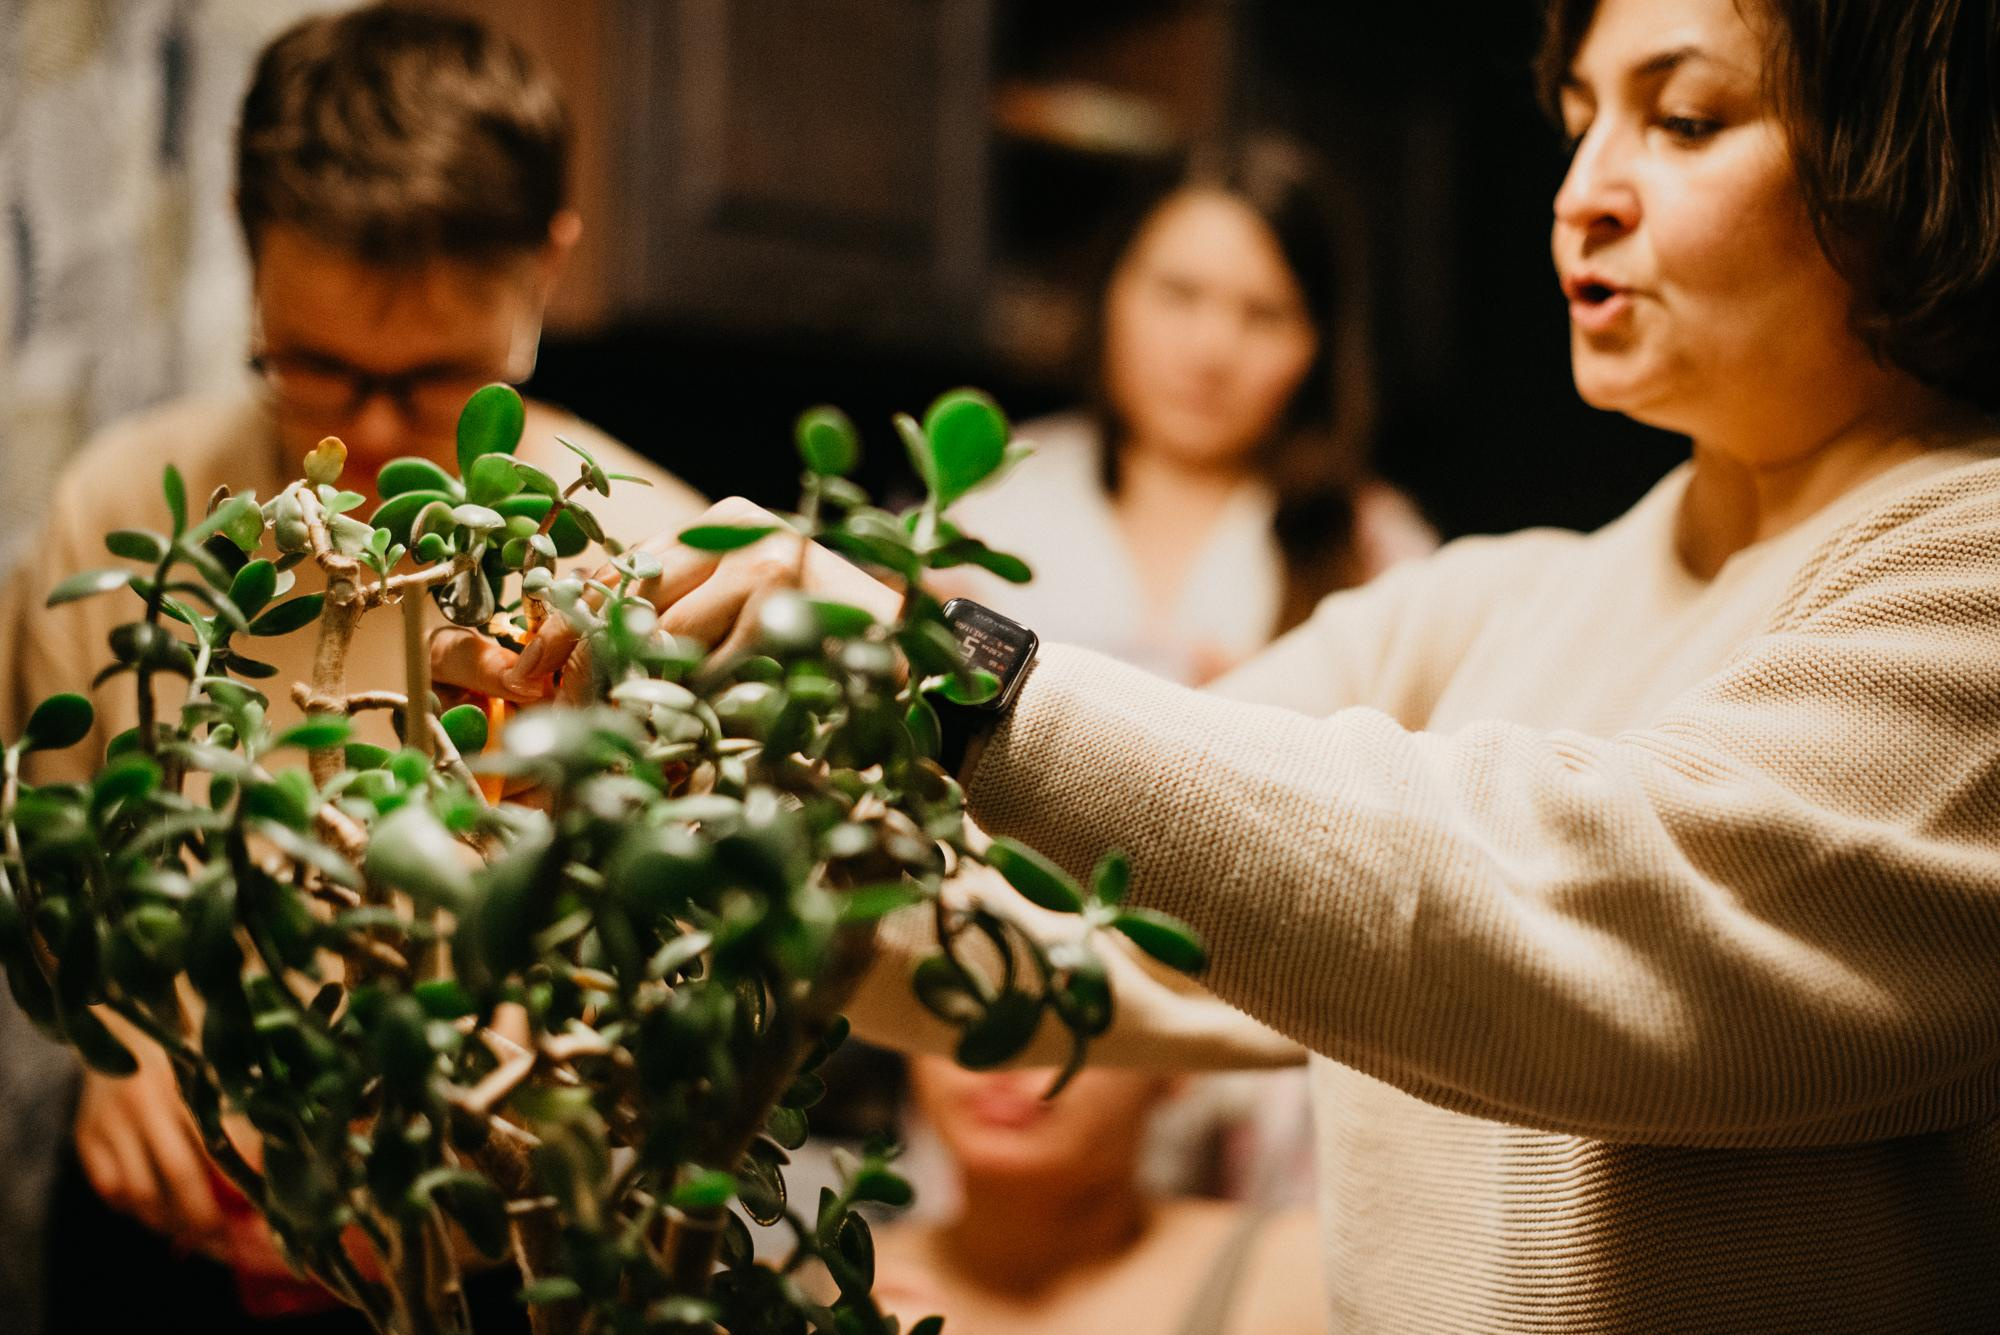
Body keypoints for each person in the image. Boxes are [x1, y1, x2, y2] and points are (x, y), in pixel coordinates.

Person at [440, 0, 2000, 1328]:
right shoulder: (1490, 605)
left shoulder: (1966, 568)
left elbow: (1552, 899)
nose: (1583, 192)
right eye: (1584, 118)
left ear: (1892, 159)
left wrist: (946, 660)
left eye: (1690, 117)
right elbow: (1070, 921)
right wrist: (658, 757)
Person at [0, 8, 704, 1330]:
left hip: (496, 1277)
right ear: (245, 237)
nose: (373, 434)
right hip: (163, 1258)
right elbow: (53, 861)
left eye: (436, 377)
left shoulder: (650, 556)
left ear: (548, 267)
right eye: (313, 365)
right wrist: (118, 1033)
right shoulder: (118, 512)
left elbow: (706, 980)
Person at [949, 136, 1431, 685]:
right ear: (1110, 294)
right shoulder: (980, 499)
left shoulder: (1382, 558)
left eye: (1265, 315)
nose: (1211, 350)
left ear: (1318, 346)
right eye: (1178, 294)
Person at [869, 1057, 1324, 1335]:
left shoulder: (1304, 1281)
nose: (1003, 1057)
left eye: (1074, 1012)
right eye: (959, 1002)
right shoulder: (821, 1284)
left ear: (1177, 1063)